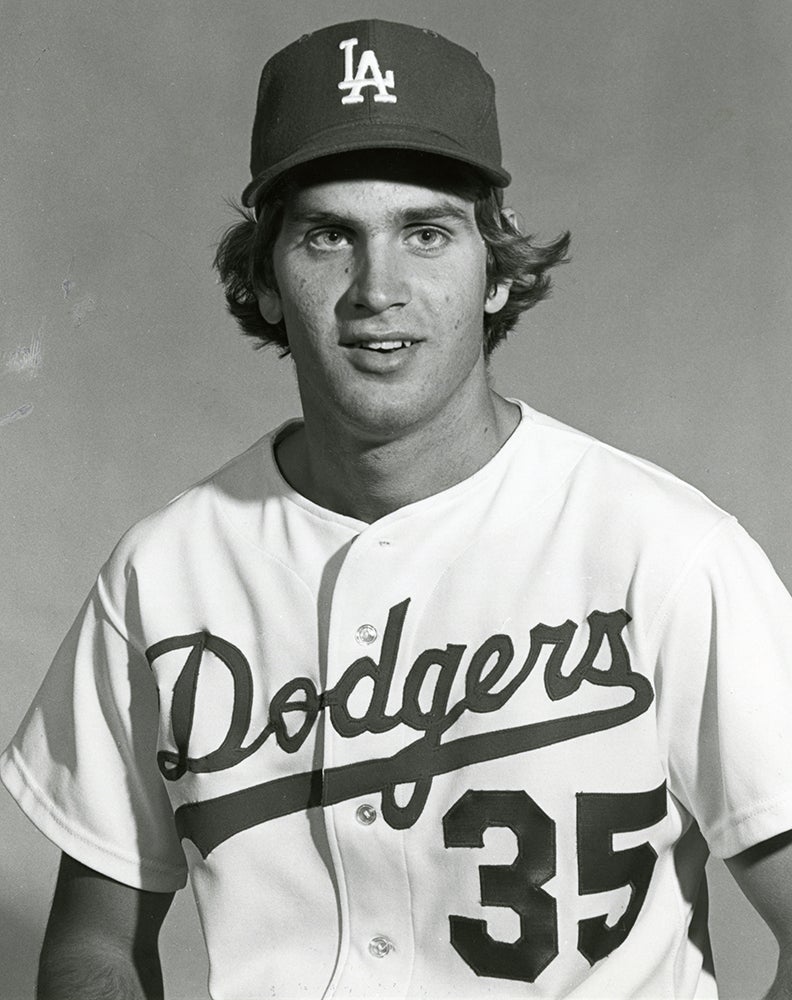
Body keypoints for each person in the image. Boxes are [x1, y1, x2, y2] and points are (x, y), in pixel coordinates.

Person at [3, 17, 792, 1000]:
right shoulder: (162, 571)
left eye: (426, 232)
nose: (379, 289)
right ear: (262, 276)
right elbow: (94, 944)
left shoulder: (666, 553)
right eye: (330, 235)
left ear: (496, 270)